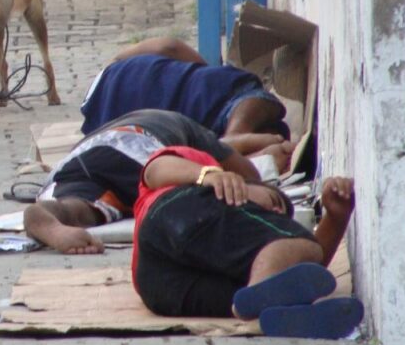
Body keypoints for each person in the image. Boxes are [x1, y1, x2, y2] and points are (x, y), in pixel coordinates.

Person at [132, 145, 363, 338]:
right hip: (175, 211)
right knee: (297, 244)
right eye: (274, 202)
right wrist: (210, 174)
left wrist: (336, 218)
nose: (274, 213)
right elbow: (154, 169)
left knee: (269, 285)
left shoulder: (240, 255)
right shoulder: (208, 176)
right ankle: (260, 314)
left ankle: (273, 315)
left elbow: (304, 273)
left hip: (158, 287)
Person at [23, 109, 278, 255]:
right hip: (137, 150)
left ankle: (50, 218)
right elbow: (245, 172)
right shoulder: (186, 126)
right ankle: (55, 221)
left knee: (75, 207)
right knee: (175, 179)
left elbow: (228, 148)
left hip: (77, 160)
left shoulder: (143, 121)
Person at [80, 37, 289, 138]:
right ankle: (237, 137)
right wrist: (208, 73)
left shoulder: (97, 129)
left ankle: (239, 140)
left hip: (193, 129)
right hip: (213, 96)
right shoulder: (115, 65)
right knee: (259, 104)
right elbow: (169, 46)